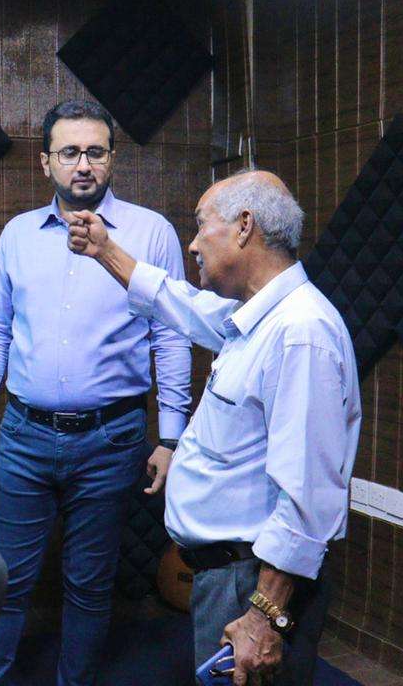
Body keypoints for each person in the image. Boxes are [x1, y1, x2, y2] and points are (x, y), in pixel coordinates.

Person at [68, 169, 360, 686]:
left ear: (245, 226)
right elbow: (184, 305)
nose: (193, 243)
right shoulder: (259, 317)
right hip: (231, 580)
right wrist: (106, 251)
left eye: (202, 225)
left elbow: (308, 499)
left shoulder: (300, 333)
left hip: (253, 588)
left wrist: (263, 618)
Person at [0, 100, 192, 686]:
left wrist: (171, 437)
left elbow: (171, 337)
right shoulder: (17, 235)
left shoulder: (151, 233)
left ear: (112, 158)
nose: (82, 164)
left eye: (95, 151)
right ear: (46, 162)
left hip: (112, 440)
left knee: (90, 585)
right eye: (69, 152)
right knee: (4, 581)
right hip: (23, 435)